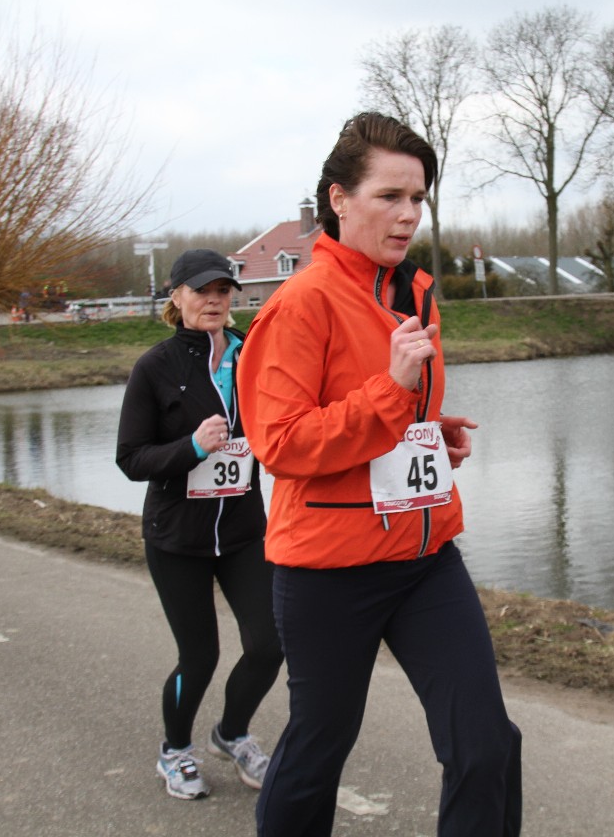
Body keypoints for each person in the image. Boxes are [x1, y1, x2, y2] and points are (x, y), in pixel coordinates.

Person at [237, 112, 523, 837]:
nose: (408, 215)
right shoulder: (300, 304)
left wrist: (427, 429)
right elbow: (281, 442)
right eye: (389, 196)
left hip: (425, 558)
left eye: (418, 198)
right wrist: (394, 396)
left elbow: (380, 419)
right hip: (330, 569)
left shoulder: (414, 293)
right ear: (339, 198)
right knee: (317, 751)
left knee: (486, 745)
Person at [116, 248, 283, 800]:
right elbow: (131, 458)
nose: (213, 300)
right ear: (177, 296)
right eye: (200, 290)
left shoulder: (252, 354)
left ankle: (231, 734)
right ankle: (174, 751)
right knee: (201, 656)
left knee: (270, 643)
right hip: (177, 538)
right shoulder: (155, 367)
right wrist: (191, 446)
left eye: (222, 290)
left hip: (242, 531)